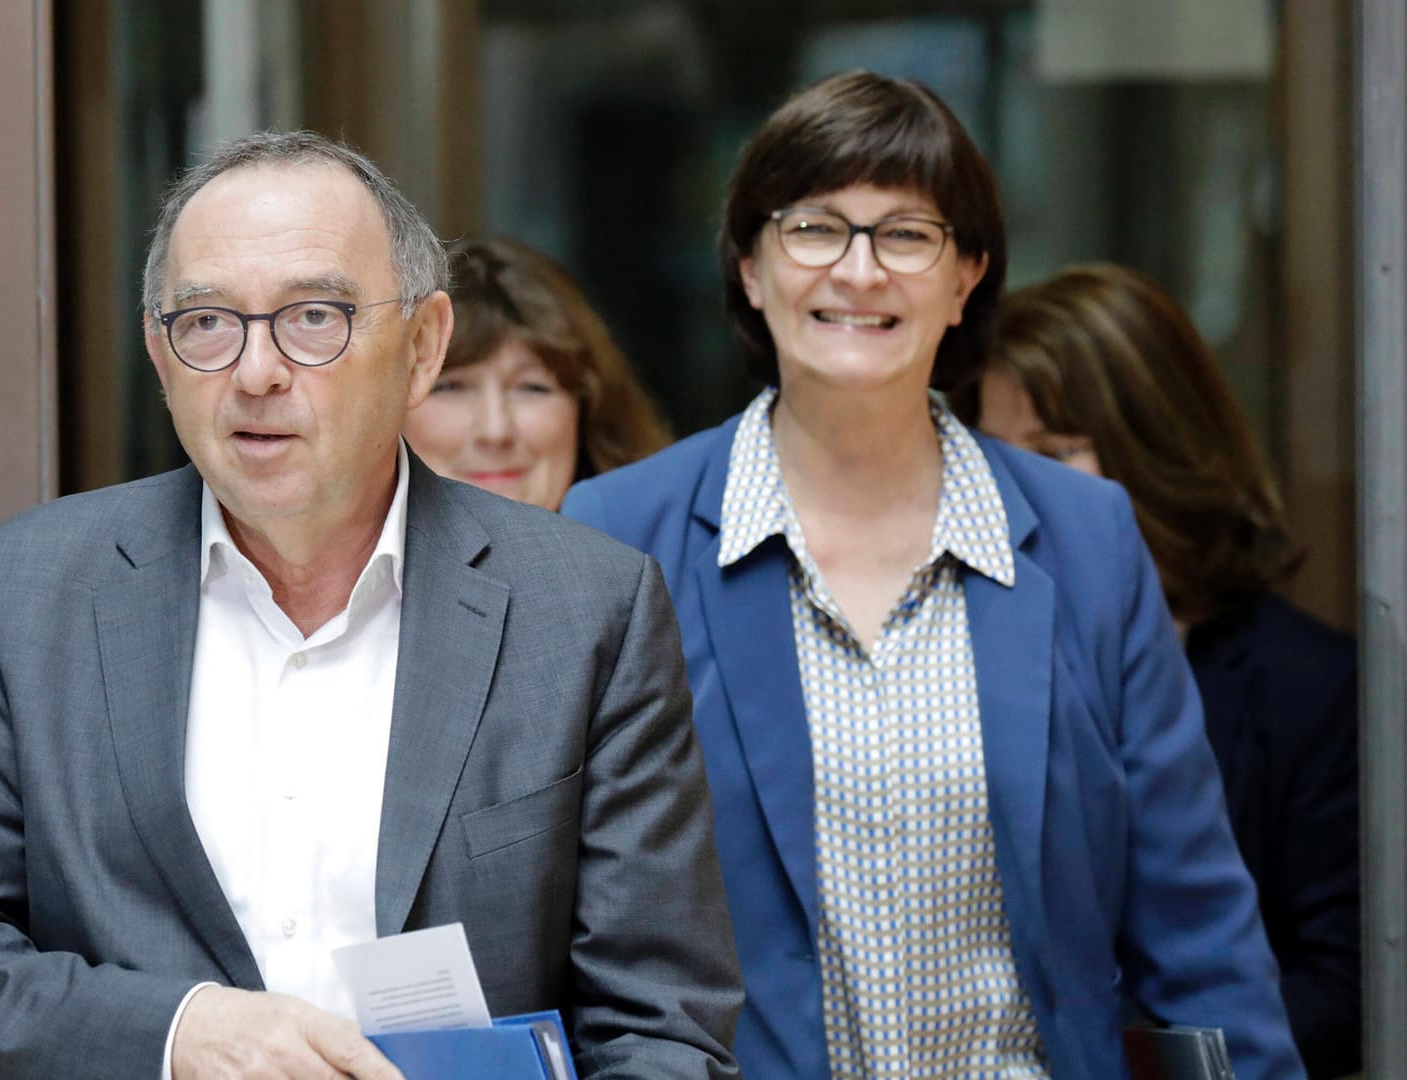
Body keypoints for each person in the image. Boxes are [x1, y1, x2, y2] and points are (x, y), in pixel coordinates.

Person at [0, 132, 743, 1080]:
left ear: (423, 346)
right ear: (159, 352)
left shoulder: (587, 609)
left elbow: (662, 1025)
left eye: (314, 317)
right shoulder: (12, 602)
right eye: (209, 322)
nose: (257, 371)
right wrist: (177, 1036)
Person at [563, 71, 1303, 1079]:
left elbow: (1197, 923)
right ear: (748, 266)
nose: (859, 272)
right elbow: (577, 923)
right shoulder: (620, 533)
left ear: (966, 279)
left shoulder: (1085, 538)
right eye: (814, 228)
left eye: (907, 234)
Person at [952, 261, 1359, 1078]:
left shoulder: (1309, 686)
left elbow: (1349, 980)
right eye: (995, 459)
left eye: (1056, 452)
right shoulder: (960, 657)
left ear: (1159, 448)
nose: (1015, 493)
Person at [402, 235, 670, 510]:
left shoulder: (652, 548)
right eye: (450, 387)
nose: (495, 431)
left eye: (531, 388)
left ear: (589, 409)